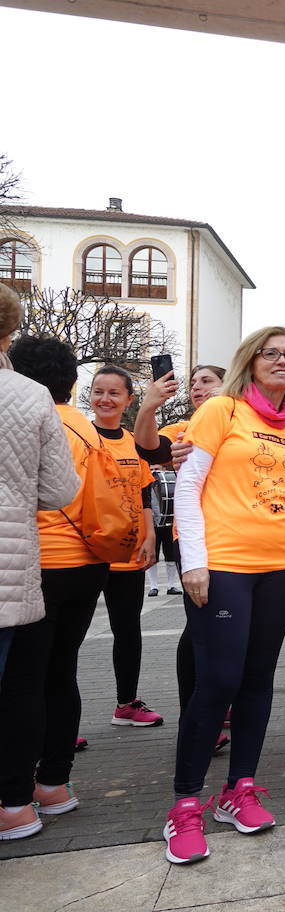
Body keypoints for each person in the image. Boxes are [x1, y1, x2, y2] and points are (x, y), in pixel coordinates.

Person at [163, 327, 285, 865]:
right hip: (224, 566)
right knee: (217, 681)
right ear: (250, 362)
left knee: (255, 681)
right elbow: (188, 486)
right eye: (271, 354)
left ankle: (238, 790)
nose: (281, 362)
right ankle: (185, 805)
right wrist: (194, 563)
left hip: (284, 565)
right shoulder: (221, 412)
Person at [1, 336, 120, 839]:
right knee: (60, 671)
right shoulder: (83, 426)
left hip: (40, 561)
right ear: (71, 380)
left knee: (24, 683)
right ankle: (54, 785)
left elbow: (48, 494)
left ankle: (16, 800)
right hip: (88, 561)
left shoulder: (27, 412)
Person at [0, 290, 81, 842]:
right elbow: (59, 489)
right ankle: (20, 803)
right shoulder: (30, 399)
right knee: (27, 686)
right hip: (17, 571)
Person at [135, 363, 230, 752]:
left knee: (229, 633)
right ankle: (195, 719)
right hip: (194, 542)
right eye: (193, 383)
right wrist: (148, 406)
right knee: (200, 633)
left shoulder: (242, 421)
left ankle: (220, 712)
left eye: (207, 381)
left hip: (240, 542)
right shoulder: (184, 430)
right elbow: (146, 445)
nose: (197, 388)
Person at [89, 366, 163, 728]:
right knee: (64, 642)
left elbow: (144, 490)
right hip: (87, 554)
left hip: (129, 554)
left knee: (128, 630)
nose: (105, 399)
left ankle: (126, 704)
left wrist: (150, 535)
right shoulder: (81, 436)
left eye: (114, 393)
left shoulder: (136, 441)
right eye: (98, 391)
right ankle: (57, 723)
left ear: (129, 400)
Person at [145, 464, 181, 597]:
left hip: (168, 523)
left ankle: (171, 585)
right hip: (153, 523)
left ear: (164, 469)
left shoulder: (169, 480)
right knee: (152, 556)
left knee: (170, 555)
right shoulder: (145, 483)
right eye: (152, 468)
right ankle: (153, 586)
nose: (155, 471)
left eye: (157, 468)